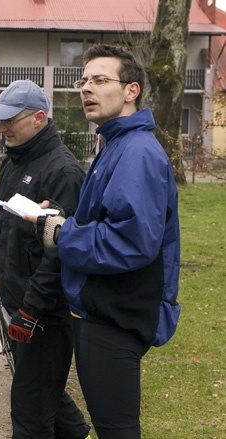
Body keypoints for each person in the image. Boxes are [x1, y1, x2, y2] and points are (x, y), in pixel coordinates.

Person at [26, 44, 181, 438]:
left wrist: (61, 232)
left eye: (100, 80)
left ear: (131, 91)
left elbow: (132, 241)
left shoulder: (137, 152)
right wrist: (61, 216)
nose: (86, 89)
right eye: (83, 81)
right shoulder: (116, 144)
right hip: (101, 308)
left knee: (117, 430)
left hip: (115, 314)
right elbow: (108, 217)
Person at [0, 80, 91, 439]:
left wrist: (32, 312)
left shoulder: (63, 172)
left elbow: (60, 254)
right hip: (19, 305)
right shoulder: (13, 163)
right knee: (44, 393)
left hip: (47, 315)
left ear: (38, 119)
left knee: (30, 414)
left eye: (9, 121)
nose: (1, 129)